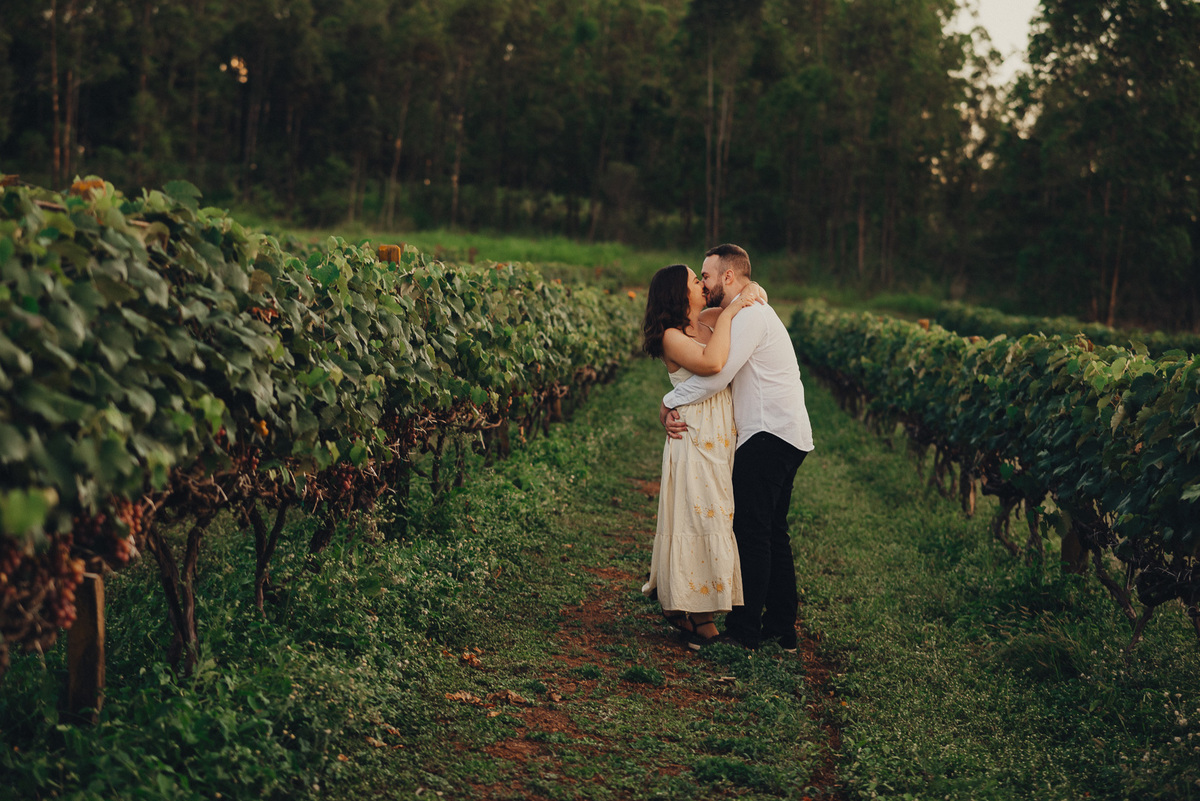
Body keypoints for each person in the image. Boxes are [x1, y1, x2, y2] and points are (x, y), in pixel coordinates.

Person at [660, 243, 814, 651]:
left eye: (707, 275)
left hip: (767, 434)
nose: (704, 283)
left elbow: (716, 375)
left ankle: (745, 632)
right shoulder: (748, 311)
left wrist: (669, 401)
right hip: (786, 432)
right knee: (773, 532)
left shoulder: (749, 315)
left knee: (753, 531)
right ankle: (781, 628)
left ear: (728, 276)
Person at [641, 263, 765, 648]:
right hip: (693, 434)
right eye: (695, 280)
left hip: (719, 435)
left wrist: (743, 296)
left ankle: (693, 608)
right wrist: (731, 311)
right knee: (697, 516)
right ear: (679, 293)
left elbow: (753, 292)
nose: (701, 284)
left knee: (717, 513)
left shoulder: (707, 321)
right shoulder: (671, 336)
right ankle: (696, 613)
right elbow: (712, 364)